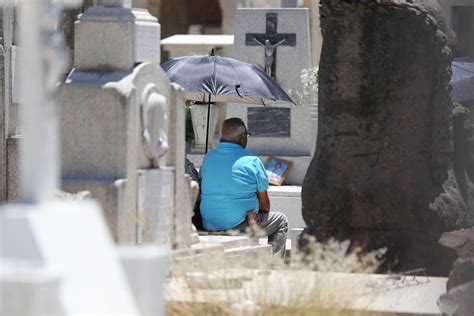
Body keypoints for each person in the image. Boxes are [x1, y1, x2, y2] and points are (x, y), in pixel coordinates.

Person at [200, 117, 288, 256]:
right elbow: (264, 206)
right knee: (281, 220)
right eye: (246, 135)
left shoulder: (208, 158)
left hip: (209, 223)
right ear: (242, 138)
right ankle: (275, 266)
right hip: (239, 224)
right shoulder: (252, 160)